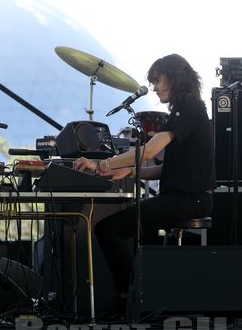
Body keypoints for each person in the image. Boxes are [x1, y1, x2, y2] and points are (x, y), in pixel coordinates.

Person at [73, 53, 215, 315]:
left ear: (173, 78)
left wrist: (102, 165)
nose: (154, 86)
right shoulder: (188, 109)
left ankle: (132, 298)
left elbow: (149, 151)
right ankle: (134, 297)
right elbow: (165, 169)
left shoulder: (189, 108)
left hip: (189, 200)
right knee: (119, 230)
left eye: (157, 80)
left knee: (107, 230)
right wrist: (130, 171)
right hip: (185, 197)